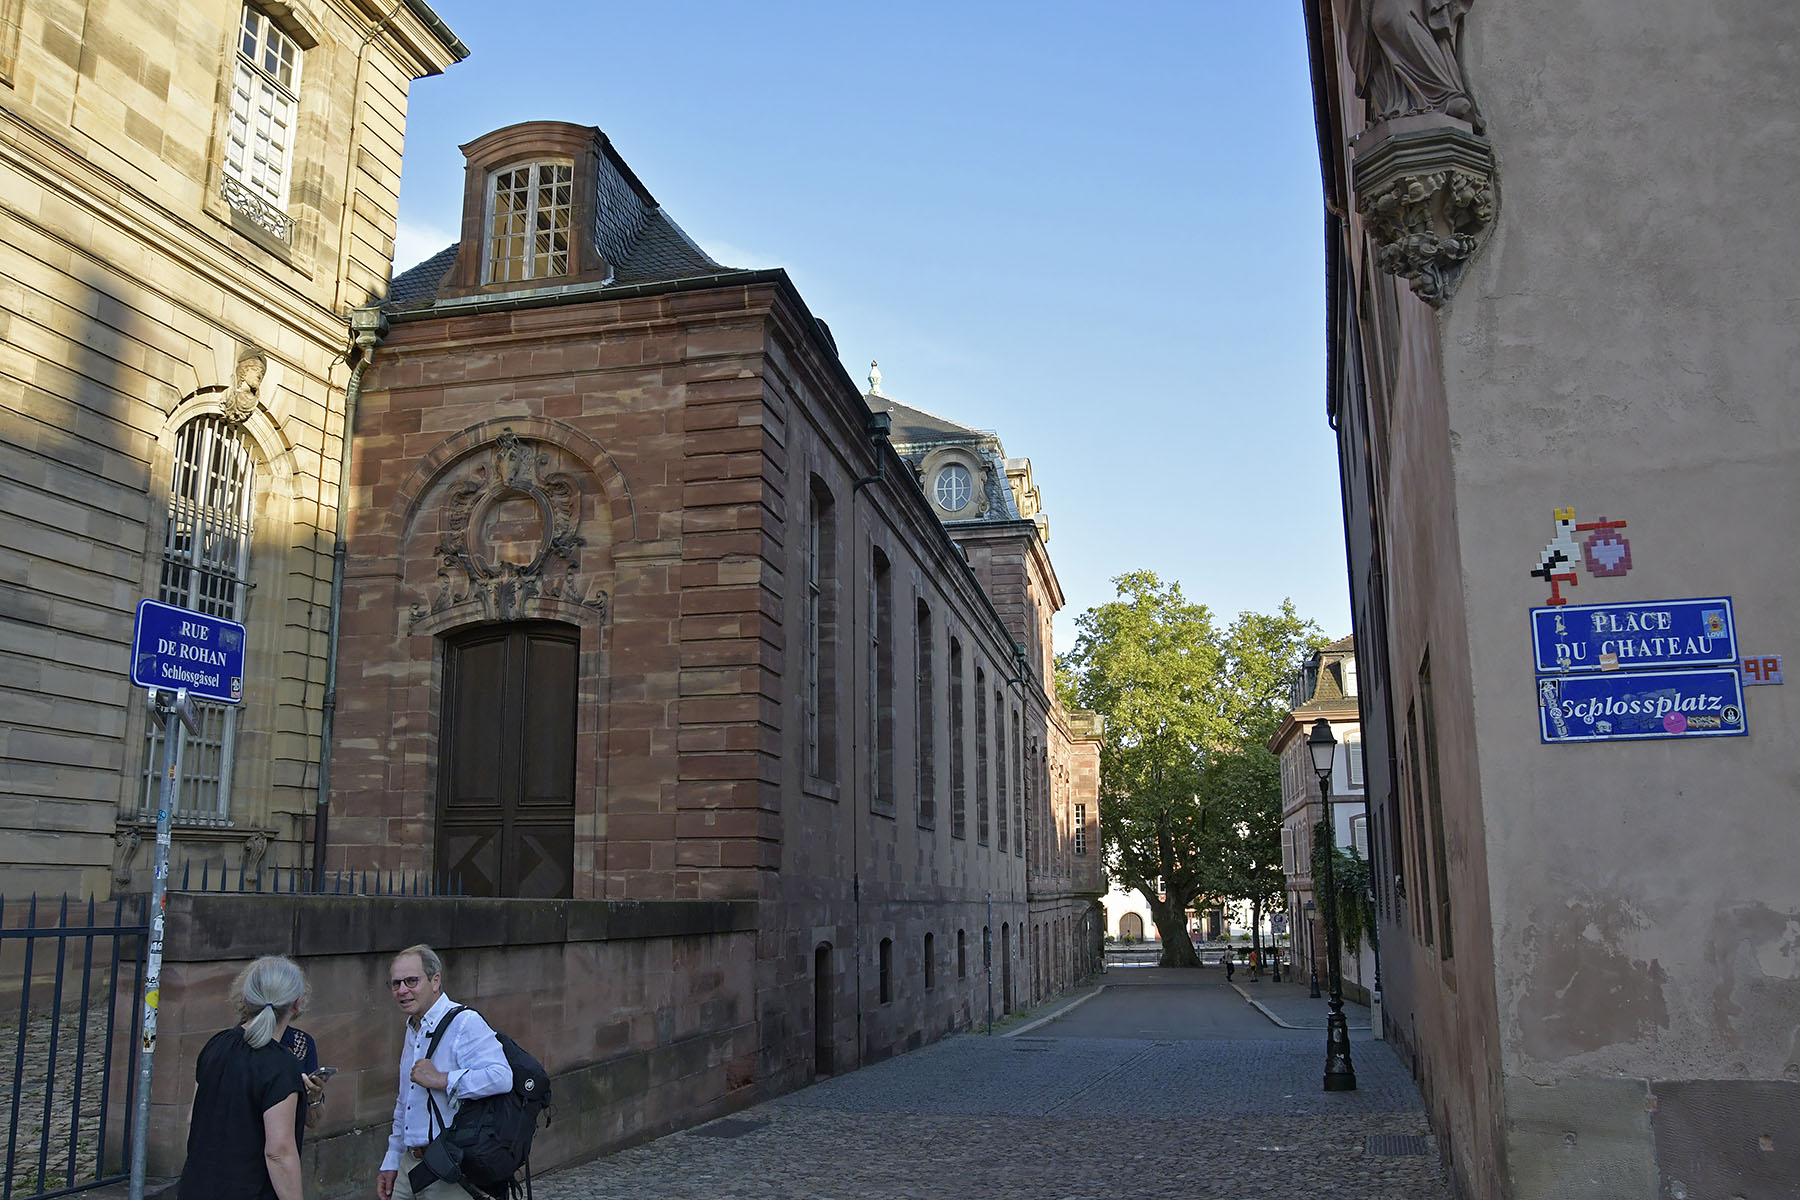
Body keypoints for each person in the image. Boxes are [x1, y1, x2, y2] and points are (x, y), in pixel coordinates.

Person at [377, 945, 513, 1200]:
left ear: (435, 980)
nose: (402, 990)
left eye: (411, 981)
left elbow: (501, 1077)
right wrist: (392, 1160)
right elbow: (405, 1101)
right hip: (409, 1164)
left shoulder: (464, 1022)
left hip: (449, 1165)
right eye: (396, 984)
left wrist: (442, 1079)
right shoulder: (413, 1028)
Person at [178, 956, 309, 1200]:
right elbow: (279, 1153)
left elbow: (192, 1120)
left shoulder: (216, 1045)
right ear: (297, 1003)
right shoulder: (281, 1065)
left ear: (246, 999)